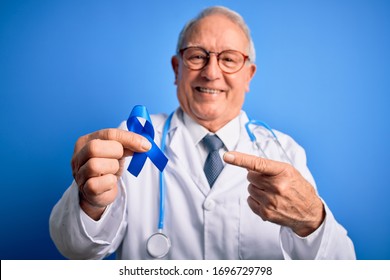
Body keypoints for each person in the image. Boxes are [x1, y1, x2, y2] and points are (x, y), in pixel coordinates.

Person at [50, 6, 356, 260]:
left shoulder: (283, 151)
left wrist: (312, 221)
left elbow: (343, 268)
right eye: (197, 56)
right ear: (176, 68)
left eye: (229, 59)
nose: (211, 72)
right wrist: (90, 203)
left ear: (249, 75)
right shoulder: (131, 140)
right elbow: (76, 248)